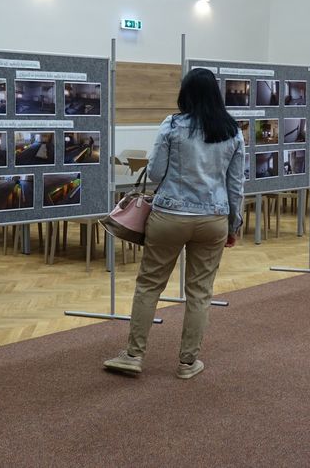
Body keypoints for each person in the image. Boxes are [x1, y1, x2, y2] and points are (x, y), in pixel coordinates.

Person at [103, 68, 245, 379]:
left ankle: (133, 355)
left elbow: (154, 173)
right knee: (200, 292)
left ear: (186, 93)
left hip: (169, 216)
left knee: (149, 285)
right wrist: (234, 225)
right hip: (213, 219)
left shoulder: (172, 124)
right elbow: (236, 185)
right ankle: (188, 363)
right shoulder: (232, 131)